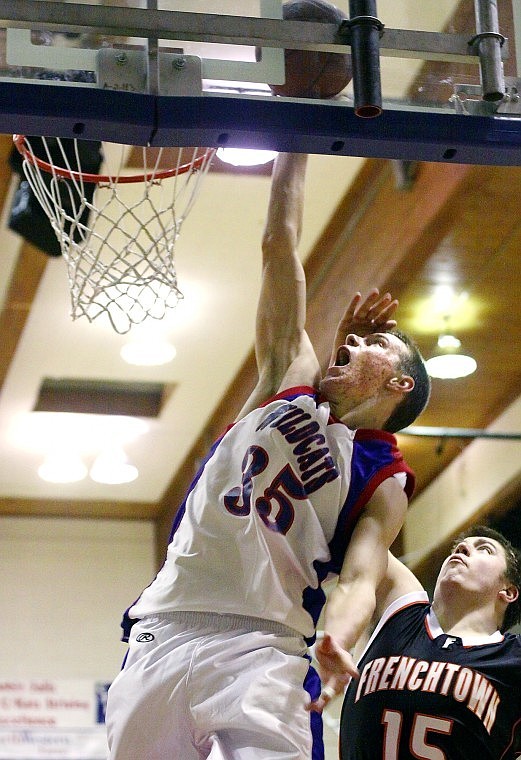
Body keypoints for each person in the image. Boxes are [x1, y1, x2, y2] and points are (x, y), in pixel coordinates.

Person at [105, 152, 431, 760]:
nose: (352, 339)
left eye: (375, 344)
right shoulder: (290, 373)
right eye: (353, 337)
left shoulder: (385, 477)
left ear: (400, 384)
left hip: (264, 650)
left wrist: (340, 638)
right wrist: (293, 142)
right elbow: (279, 245)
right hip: (166, 628)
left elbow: (361, 575)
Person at [339, 525, 521, 759]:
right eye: (458, 547)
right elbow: (362, 526)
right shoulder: (400, 609)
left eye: (484, 549)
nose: (463, 548)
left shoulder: (513, 660)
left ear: (508, 591)